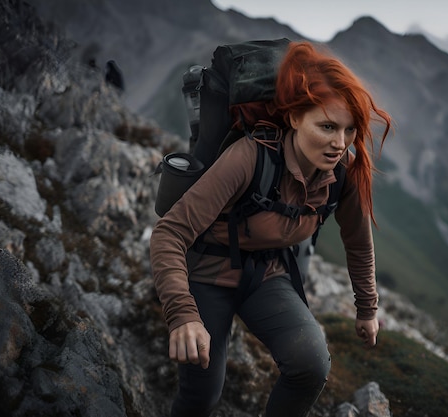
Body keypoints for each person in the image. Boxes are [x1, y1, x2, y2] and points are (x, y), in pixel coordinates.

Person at [149, 41, 392, 417]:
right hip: (207, 274)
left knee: (311, 365)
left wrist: (367, 308)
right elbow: (170, 233)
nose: (339, 144)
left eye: (349, 130)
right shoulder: (249, 157)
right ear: (294, 118)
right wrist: (183, 315)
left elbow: (358, 243)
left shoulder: (342, 173)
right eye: (327, 126)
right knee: (202, 396)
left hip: (266, 274)